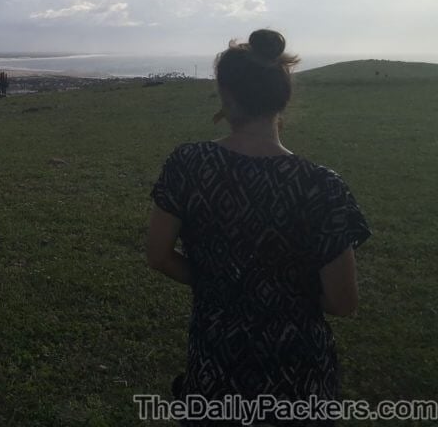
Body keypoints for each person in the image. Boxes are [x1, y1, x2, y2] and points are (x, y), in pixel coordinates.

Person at [146, 29, 370, 426]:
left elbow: (158, 255)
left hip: (215, 369)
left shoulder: (187, 165)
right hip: (300, 383)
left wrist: (220, 283)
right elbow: (343, 302)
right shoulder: (321, 186)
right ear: (282, 99)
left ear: (226, 95)